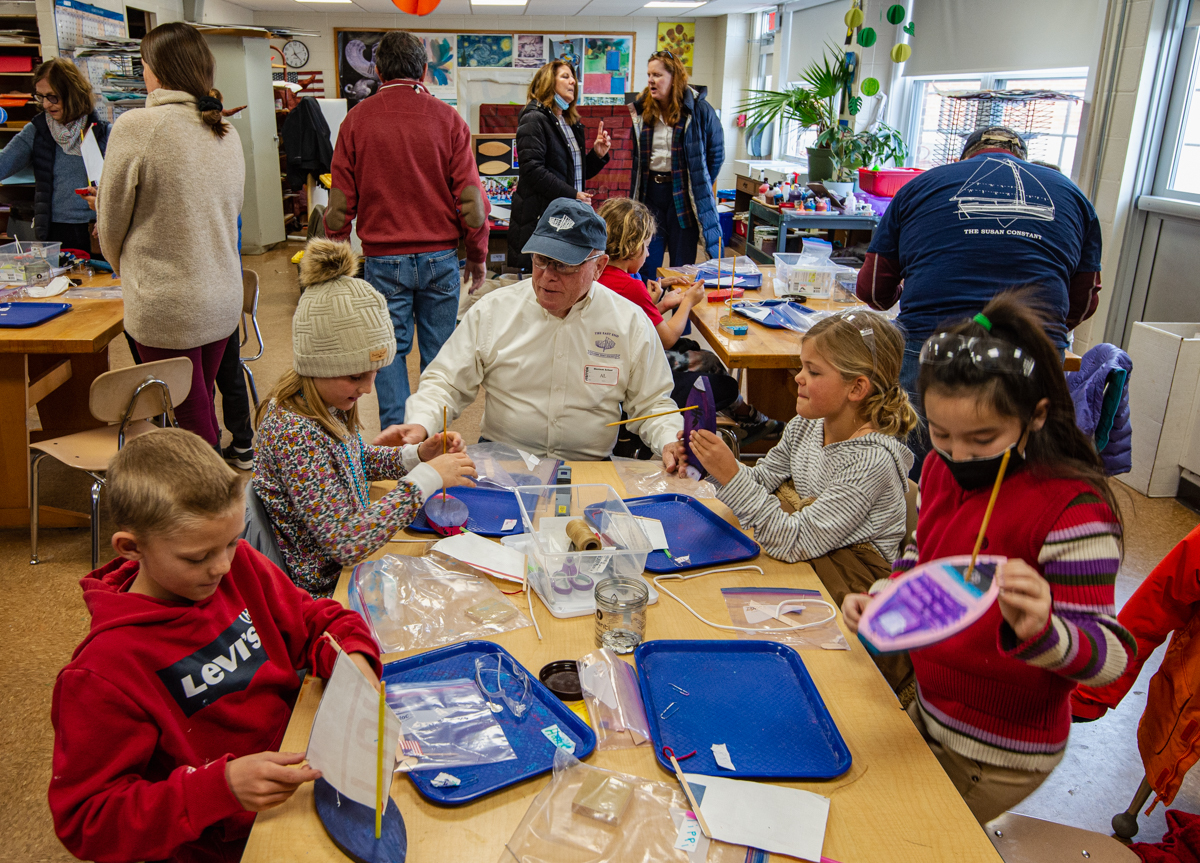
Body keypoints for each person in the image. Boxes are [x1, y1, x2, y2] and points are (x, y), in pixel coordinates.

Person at [841, 293, 1135, 824]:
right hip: (931, 710)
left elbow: (1111, 658)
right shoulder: (938, 470)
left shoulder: (1072, 510)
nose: (958, 456)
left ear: (1035, 417)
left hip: (999, 752)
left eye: (982, 440)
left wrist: (1044, 629)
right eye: (942, 435)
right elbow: (920, 553)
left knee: (899, 834)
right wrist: (886, 598)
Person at [48, 428, 383, 863]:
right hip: (216, 842)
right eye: (197, 557)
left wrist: (351, 658)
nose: (222, 566)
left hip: (298, 780)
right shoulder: (102, 674)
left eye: (231, 541)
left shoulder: (239, 565)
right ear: (131, 548)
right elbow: (88, 820)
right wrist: (216, 789)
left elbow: (314, 618)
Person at [688, 309, 918, 701]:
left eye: (813, 371)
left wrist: (730, 476)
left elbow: (793, 541)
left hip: (848, 611)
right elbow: (759, 483)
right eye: (801, 367)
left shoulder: (871, 462)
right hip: (808, 577)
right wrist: (708, 464)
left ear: (857, 388)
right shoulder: (809, 424)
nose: (798, 378)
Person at [856, 125, 1103, 477]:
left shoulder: (921, 186)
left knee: (919, 463)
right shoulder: (1073, 196)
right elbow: (1081, 302)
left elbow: (874, 292)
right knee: (1019, 465)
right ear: (1023, 159)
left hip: (931, 342)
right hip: (1033, 347)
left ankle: (917, 526)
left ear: (963, 157)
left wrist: (905, 293)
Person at [376, 198, 688, 469]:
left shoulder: (628, 321)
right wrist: (421, 422)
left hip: (588, 468)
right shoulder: (495, 310)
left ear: (599, 265)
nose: (547, 277)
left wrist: (668, 440)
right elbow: (445, 382)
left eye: (564, 265)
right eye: (541, 260)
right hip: (502, 462)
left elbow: (652, 404)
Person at [254, 239, 476, 598]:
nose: (370, 389)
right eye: (356, 376)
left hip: (351, 569)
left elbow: (352, 462)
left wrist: (418, 456)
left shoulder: (326, 407)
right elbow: (347, 543)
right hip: (327, 591)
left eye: (374, 373)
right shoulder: (294, 432)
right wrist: (427, 478)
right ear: (316, 366)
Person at [325, 30, 490, 429]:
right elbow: (471, 200)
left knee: (390, 352)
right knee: (440, 353)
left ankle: (398, 440)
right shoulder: (449, 119)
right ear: (426, 70)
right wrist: (478, 255)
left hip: (383, 261)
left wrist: (334, 257)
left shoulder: (356, 120)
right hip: (440, 259)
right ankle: (434, 436)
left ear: (378, 70)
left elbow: (340, 202)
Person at [96, 22, 244, 448]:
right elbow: (229, 212)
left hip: (167, 303)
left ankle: (214, 502)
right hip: (221, 298)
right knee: (198, 405)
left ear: (155, 71)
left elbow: (110, 224)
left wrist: (123, 266)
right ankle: (210, 493)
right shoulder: (225, 131)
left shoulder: (138, 125)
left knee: (194, 418)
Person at [597, 196, 783, 445]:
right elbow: (667, 338)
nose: (650, 252)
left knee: (692, 349)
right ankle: (750, 420)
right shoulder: (630, 286)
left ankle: (750, 418)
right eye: (648, 246)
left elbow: (631, 324)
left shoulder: (600, 274)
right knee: (717, 374)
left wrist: (662, 304)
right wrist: (687, 302)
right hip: (633, 379)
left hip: (614, 368)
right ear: (633, 248)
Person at [507, 59, 612, 272]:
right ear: (548, 82)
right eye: (565, 76)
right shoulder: (534, 118)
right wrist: (572, 194)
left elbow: (573, 173)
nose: (573, 81)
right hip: (539, 218)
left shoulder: (567, 122)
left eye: (573, 77)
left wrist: (597, 155)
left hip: (562, 216)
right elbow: (533, 170)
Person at [629, 50, 724, 281]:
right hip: (649, 193)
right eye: (649, 75)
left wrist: (698, 183)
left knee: (683, 268)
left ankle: (682, 317)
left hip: (683, 196)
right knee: (646, 263)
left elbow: (717, 153)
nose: (651, 80)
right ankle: (650, 315)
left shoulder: (699, 110)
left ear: (674, 78)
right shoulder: (640, 110)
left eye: (658, 75)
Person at [0, 58, 108, 250]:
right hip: (55, 232)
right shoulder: (37, 131)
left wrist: (110, 217)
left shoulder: (102, 131)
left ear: (73, 93)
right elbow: (3, 165)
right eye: (41, 97)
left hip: (97, 230)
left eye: (53, 96)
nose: (46, 105)